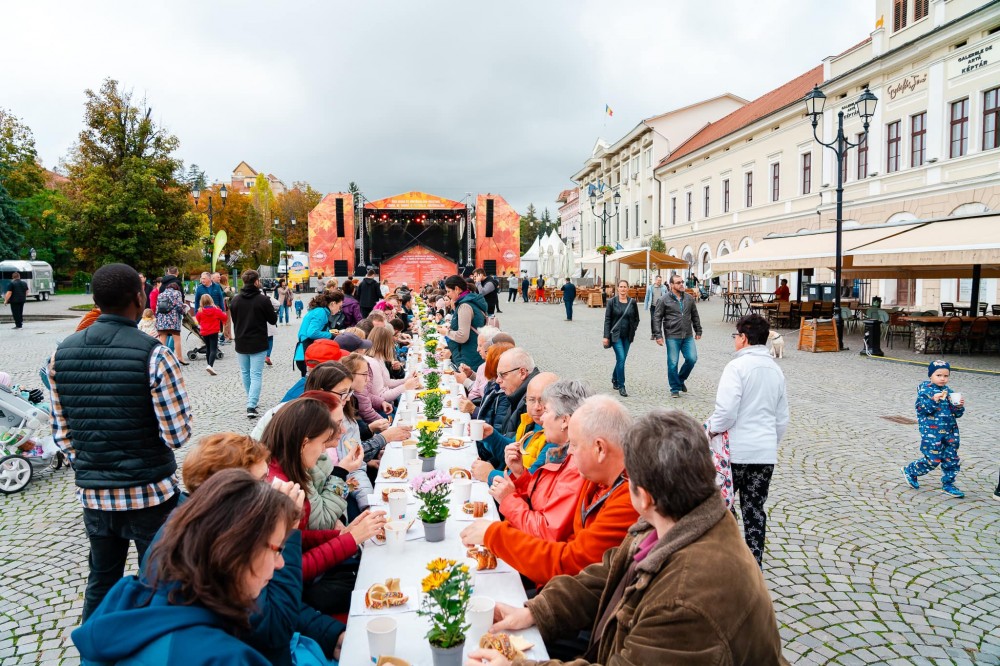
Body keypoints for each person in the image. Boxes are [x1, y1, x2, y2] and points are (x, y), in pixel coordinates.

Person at [470, 410, 788, 666]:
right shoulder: (674, 517)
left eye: (629, 476)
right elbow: (608, 573)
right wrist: (538, 611)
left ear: (643, 495)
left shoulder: (685, 597)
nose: (623, 481)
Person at [50, 263, 192, 620]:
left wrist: (93, 463)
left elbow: (62, 434)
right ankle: (152, 643)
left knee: (101, 577)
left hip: (94, 494)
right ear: (139, 298)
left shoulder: (60, 354)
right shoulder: (155, 354)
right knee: (158, 580)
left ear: (96, 300)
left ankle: (94, 645)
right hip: (150, 493)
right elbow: (177, 435)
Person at [72, 469, 298, 664]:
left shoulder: (129, 602)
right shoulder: (224, 657)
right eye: (277, 549)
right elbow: (277, 624)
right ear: (234, 550)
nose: (281, 563)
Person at [461, 395, 638, 588]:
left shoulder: (624, 498)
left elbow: (569, 562)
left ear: (600, 449)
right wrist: (520, 477)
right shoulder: (597, 478)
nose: (569, 452)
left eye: (574, 445)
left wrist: (495, 534)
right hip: (556, 582)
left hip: (562, 587)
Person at [263, 397, 386, 613]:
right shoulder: (281, 486)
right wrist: (349, 539)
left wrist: (341, 535)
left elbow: (298, 538)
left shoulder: (292, 466)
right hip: (295, 592)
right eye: (322, 442)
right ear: (304, 443)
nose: (324, 450)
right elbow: (291, 566)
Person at [706, 314, 789, 567]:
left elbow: (726, 413)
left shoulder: (736, 368)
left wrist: (709, 431)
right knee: (754, 511)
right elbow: (782, 418)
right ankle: (754, 565)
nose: (735, 339)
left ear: (743, 338)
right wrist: (769, 443)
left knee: (724, 508)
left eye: (736, 335)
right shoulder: (776, 370)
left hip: (735, 453)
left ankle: (729, 564)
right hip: (763, 454)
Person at [488, 379, 588, 542]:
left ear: (564, 421)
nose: (542, 417)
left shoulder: (574, 466)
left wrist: (508, 500)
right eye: (531, 399)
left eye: (546, 410)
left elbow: (547, 531)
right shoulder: (563, 454)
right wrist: (520, 473)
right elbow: (539, 498)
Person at [473, 370, 556, 485]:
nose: (536, 407)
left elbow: (532, 482)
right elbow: (512, 453)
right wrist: (491, 436)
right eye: (532, 400)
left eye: (543, 401)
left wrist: (490, 475)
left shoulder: (555, 438)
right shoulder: (529, 422)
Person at [902, 359, 967, 498]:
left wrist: (959, 406)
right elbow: (922, 409)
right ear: (930, 376)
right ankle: (911, 471)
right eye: (939, 375)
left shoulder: (949, 392)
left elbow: (957, 414)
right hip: (931, 433)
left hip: (950, 432)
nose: (943, 378)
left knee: (952, 459)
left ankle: (948, 484)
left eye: (946, 376)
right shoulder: (925, 392)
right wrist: (933, 400)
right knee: (933, 460)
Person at [230, 270, 278, 419]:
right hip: (258, 341)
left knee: (246, 372)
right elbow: (273, 320)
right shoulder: (263, 300)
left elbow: (235, 320)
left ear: (244, 282)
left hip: (241, 340)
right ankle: (251, 404)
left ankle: (251, 400)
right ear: (256, 282)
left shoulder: (235, 300)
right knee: (255, 374)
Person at [653, 273, 703, 399]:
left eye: (682, 282)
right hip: (672, 335)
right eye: (678, 283)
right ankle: (675, 388)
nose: (681, 284)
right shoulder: (664, 299)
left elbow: (695, 315)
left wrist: (698, 330)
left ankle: (680, 380)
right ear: (671, 285)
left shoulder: (689, 298)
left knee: (692, 359)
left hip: (687, 335)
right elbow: (657, 318)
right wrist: (658, 335)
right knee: (673, 363)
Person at [438, 274, 489, 369]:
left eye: (448, 291)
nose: (447, 294)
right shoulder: (470, 301)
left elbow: (462, 336)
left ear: (457, 289)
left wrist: (446, 332)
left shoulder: (464, 306)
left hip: (469, 355)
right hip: (473, 352)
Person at [603, 279, 640, 398]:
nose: (623, 289)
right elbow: (607, 320)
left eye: (625, 287)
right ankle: (621, 385)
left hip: (628, 336)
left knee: (621, 359)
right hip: (616, 335)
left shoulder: (632, 302)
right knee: (621, 358)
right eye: (621, 287)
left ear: (628, 288)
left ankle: (614, 378)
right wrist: (606, 336)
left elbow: (637, 318)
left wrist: (633, 329)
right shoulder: (611, 302)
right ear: (617, 288)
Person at [294, 290, 344, 377]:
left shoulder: (318, 310)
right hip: (306, 354)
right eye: (339, 306)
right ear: (333, 304)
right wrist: (331, 335)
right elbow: (312, 333)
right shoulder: (320, 312)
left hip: (303, 354)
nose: (339, 310)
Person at [155, 282, 188, 365]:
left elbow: (157, 308)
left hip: (162, 320)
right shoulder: (177, 293)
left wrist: (157, 320)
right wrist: (184, 311)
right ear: (176, 288)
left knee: (162, 340)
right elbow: (179, 306)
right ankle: (179, 357)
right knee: (177, 339)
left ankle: (161, 358)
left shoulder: (161, 294)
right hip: (173, 320)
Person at [194, 294, 227, 376]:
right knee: (213, 349)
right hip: (214, 332)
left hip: (204, 332)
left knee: (208, 348)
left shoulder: (200, 311)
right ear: (211, 300)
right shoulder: (216, 310)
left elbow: (198, 320)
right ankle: (210, 365)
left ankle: (209, 365)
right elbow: (224, 318)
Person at [643, 274, 666, 340]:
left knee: (659, 320)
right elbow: (647, 297)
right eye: (658, 280)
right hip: (653, 306)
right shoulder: (650, 288)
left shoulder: (664, 287)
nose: (659, 282)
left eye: (660, 280)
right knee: (653, 320)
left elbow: (667, 296)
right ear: (655, 280)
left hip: (661, 306)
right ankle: (653, 334)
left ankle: (658, 334)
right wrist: (646, 306)